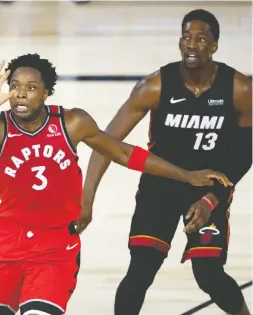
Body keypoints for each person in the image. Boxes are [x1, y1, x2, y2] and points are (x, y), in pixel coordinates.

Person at [0, 54, 231, 315]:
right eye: (14, 86)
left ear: (46, 93)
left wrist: (187, 175)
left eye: (31, 88)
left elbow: (123, 152)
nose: (20, 94)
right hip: (6, 243)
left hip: (55, 247)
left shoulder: (72, 122)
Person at [78, 9, 252, 315]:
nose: (191, 44)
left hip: (207, 190)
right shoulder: (154, 87)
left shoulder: (239, 90)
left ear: (214, 46)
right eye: (186, 37)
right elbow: (103, 143)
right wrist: (86, 199)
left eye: (201, 38)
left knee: (209, 275)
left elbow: (245, 152)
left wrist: (213, 199)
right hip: (159, 187)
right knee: (140, 272)